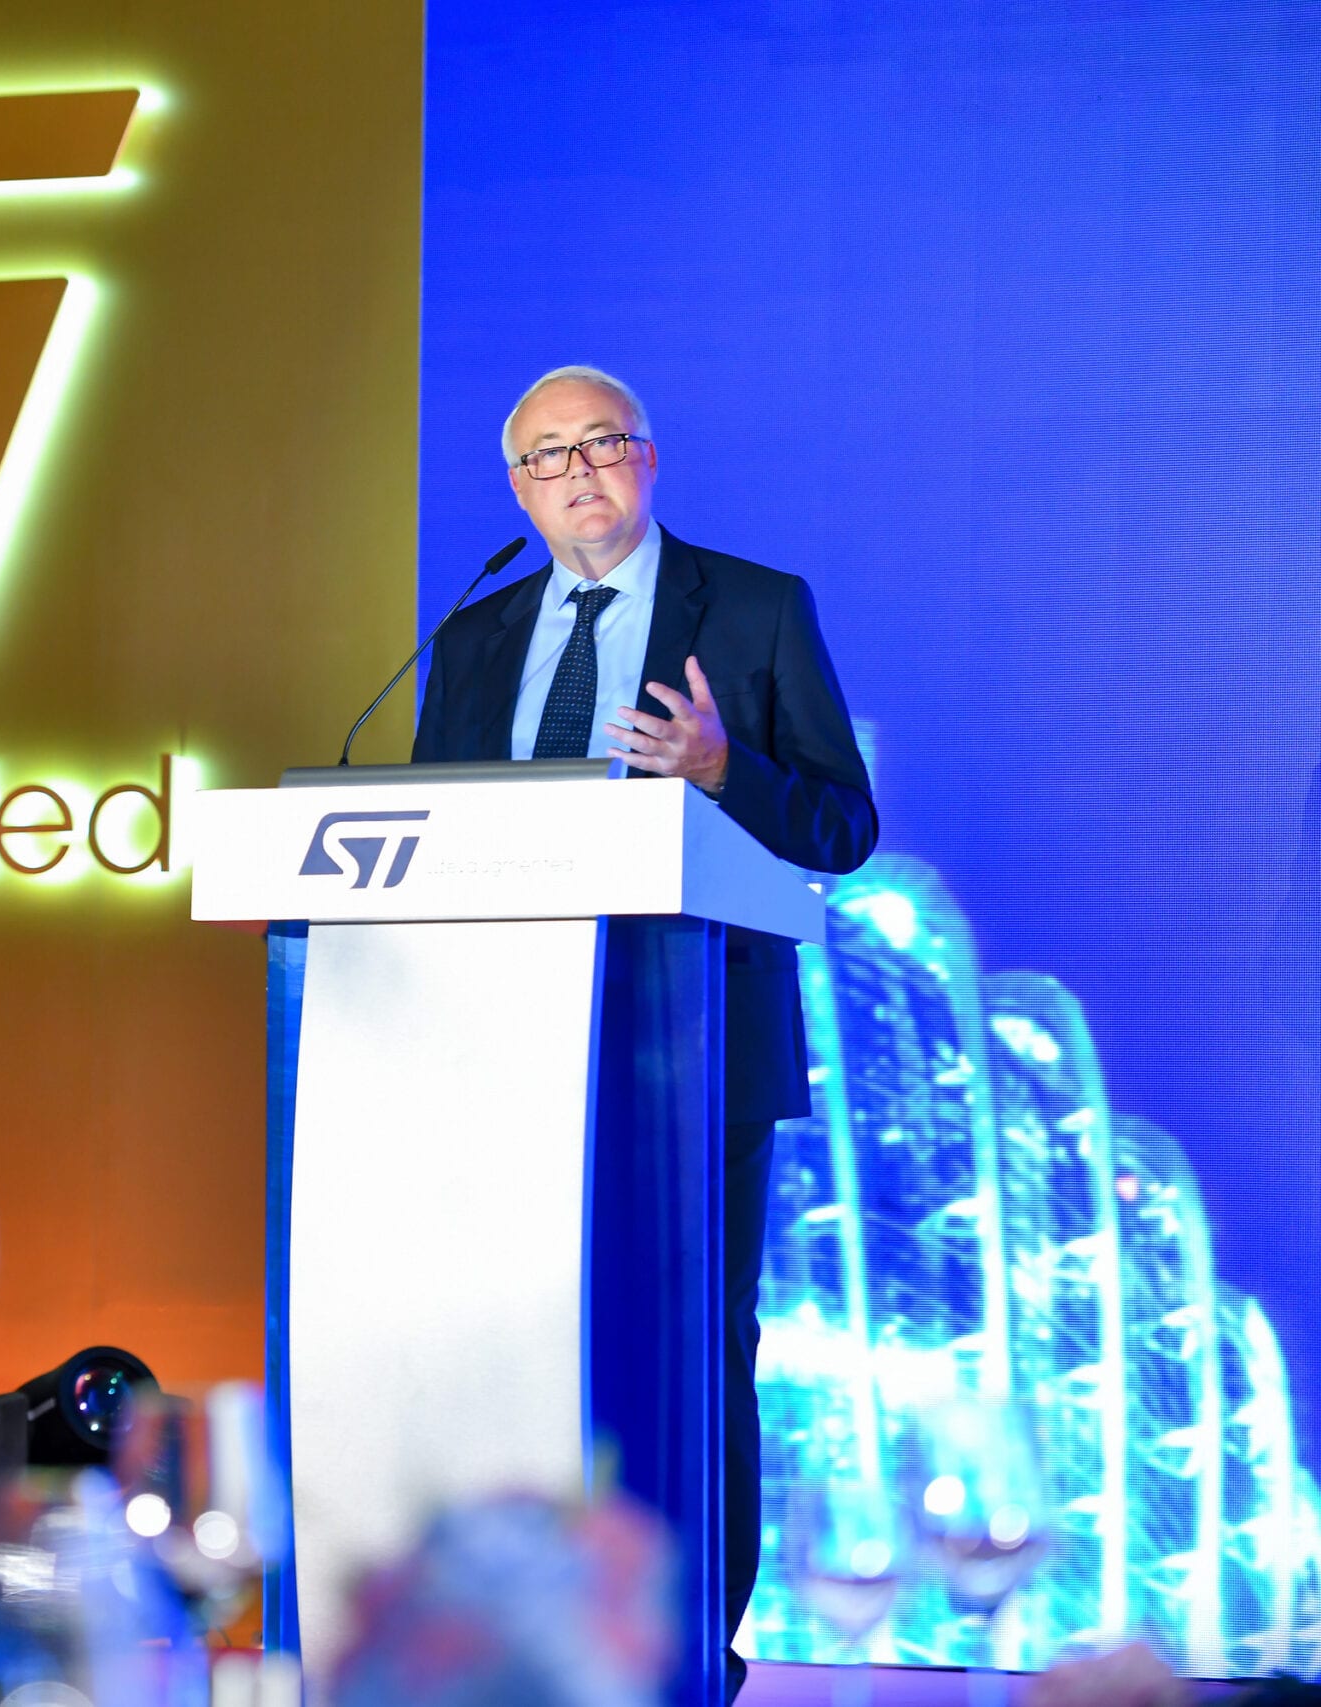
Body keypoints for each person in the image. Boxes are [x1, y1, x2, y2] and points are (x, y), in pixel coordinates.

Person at [410, 366, 878, 1699]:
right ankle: (523, 1639)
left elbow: (844, 827)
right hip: (507, 1046)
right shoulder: (476, 632)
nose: (576, 472)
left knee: (689, 1348)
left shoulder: (755, 606)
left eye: (600, 443)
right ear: (517, 489)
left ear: (649, 457)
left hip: (699, 1048)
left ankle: (689, 1648)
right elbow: (433, 828)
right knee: (516, 1342)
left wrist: (726, 769)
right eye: (546, 455)